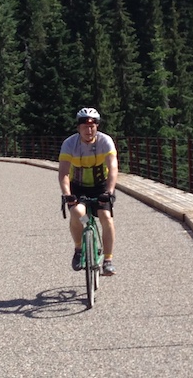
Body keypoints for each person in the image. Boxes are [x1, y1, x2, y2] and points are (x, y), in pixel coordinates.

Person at [58, 107, 118, 276]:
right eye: (85, 126)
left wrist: (110, 191)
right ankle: (78, 248)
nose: (89, 130)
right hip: (77, 186)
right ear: (78, 128)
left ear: (97, 126)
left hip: (100, 186)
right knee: (78, 214)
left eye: (92, 126)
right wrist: (66, 193)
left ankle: (108, 260)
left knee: (106, 217)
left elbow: (113, 168)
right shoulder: (69, 144)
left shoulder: (105, 141)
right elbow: (63, 172)